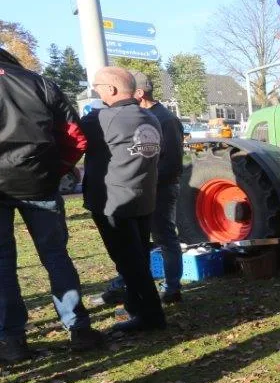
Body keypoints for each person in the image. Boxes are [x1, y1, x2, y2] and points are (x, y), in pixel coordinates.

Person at [0, 47, 104, 362]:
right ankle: (79, 328)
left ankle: (12, 341)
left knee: (3, 264)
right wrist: (56, 169)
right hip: (39, 180)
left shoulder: (40, 83)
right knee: (56, 255)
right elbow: (75, 136)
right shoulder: (39, 83)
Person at [81, 66, 165, 334]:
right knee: (137, 257)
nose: (95, 91)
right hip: (143, 198)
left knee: (129, 263)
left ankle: (149, 316)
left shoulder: (102, 120)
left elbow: (71, 137)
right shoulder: (151, 118)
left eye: (97, 86)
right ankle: (136, 305)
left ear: (111, 90)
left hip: (114, 202)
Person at [100, 73, 184, 305]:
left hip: (160, 189)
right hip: (141, 188)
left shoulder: (165, 119)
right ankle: (131, 286)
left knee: (164, 237)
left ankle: (172, 288)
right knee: (136, 241)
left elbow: (173, 162)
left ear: (138, 93)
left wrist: (149, 182)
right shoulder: (143, 116)